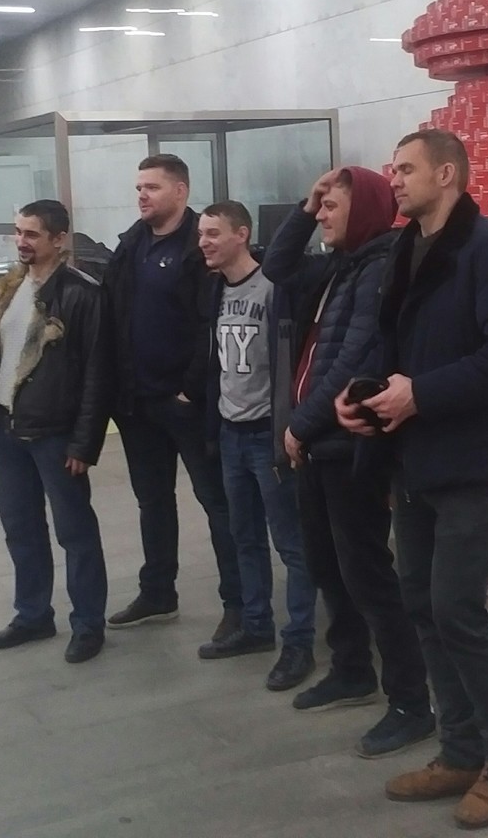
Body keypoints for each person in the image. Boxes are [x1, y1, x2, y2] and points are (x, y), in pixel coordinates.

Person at [337, 129, 488, 830]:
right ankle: (459, 750)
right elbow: (389, 345)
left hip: (472, 458)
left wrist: (420, 394)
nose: (392, 180)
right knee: (420, 602)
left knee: (457, 608)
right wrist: (361, 398)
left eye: (406, 169)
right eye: (393, 169)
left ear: (447, 174)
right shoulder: (406, 248)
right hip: (414, 455)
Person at [262, 166, 436, 759]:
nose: (323, 217)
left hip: (348, 444)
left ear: (361, 211)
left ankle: (411, 702)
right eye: (321, 208)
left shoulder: (380, 269)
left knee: (367, 571)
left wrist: (300, 424)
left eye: (333, 207)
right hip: (316, 443)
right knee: (325, 563)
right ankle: (352, 668)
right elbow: (277, 267)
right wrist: (306, 206)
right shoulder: (340, 268)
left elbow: (355, 356)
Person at [0, 199, 111, 665]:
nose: (22, 241)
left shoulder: (81, 293)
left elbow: (97, 374)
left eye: (32, 234)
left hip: (54, 434)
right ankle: (33, 615)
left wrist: (84, 442)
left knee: (75, 532)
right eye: (18, 232)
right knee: (21, 529)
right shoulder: (9, 288)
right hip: (8, 429)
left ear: (59, 239)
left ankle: (88, 623)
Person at [104, 155, 242, 644]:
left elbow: (212, 323)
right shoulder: (132, 245)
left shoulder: (199, 246)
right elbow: (117, 319)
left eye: (153, 188)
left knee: (216, 503)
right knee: (153, 502)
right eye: (139, 186)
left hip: (187, 404)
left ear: (180, 191)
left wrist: (192, 387)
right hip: (138, 403)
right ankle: (158, 592)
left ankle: (239, 604)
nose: (142, 195)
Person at [195, 200, 317, 690]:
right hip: (230, 430)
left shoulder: (273, 288)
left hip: (269, 434)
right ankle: (255, 625)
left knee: (290, 543)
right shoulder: (213, 291)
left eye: (212, 233)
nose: (203, 241)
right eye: (200, 233)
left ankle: (299, 641)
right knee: (243, 536)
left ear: (241, 234)